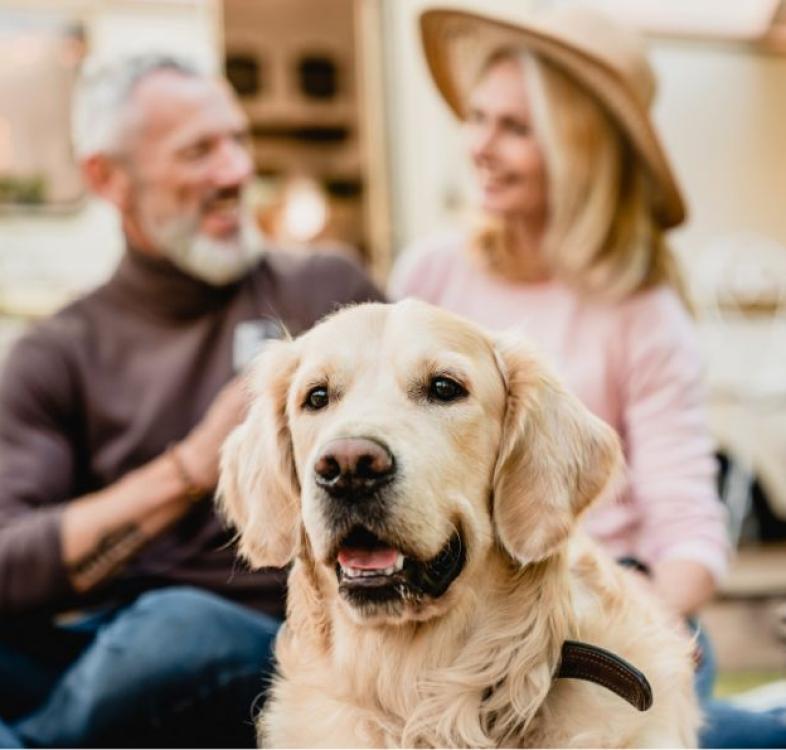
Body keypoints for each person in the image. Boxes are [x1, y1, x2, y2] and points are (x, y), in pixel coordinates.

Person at [392, 7, 786, 747]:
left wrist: (633, 614)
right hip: (463, 600)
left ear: (580, 148)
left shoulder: (643, 313)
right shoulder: (431, 273)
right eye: (476, 118)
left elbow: (690, 534)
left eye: (515, 128)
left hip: (608, 593)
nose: (478, 145)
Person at [0, 54, 382, 748]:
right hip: (103, 649)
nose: (236, 172)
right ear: (106, 178)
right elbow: (8, 558)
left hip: (276, 640)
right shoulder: (57, 352)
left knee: (178, 627)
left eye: (238, 140)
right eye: (199, 152)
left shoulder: (325, 290)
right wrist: (192, 467)